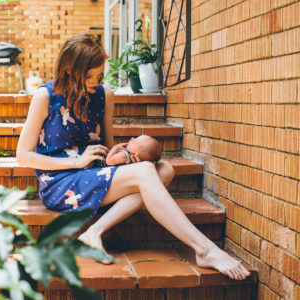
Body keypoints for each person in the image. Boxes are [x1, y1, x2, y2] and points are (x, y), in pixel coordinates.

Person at [16, 32, 250, 280]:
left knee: (165, 170)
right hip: (60, 182)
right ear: (68, 70)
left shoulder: (104, 95)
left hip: (93, 172)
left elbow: (106, 148)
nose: (95, 82)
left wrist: (117, 156)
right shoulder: (45, 96)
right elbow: (23, 156)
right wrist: (75, 162)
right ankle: (204, 249)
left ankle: (94, 231)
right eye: (88, 76)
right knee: (147, 173)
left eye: (100, 75)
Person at [92, 135, 162, 168]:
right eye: (136, 137)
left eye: (135, 141)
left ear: (137, 153)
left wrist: (115, 147)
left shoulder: (125, 155)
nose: (132, 138)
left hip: (95, 164)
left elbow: (109, 161)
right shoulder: (129, 156)